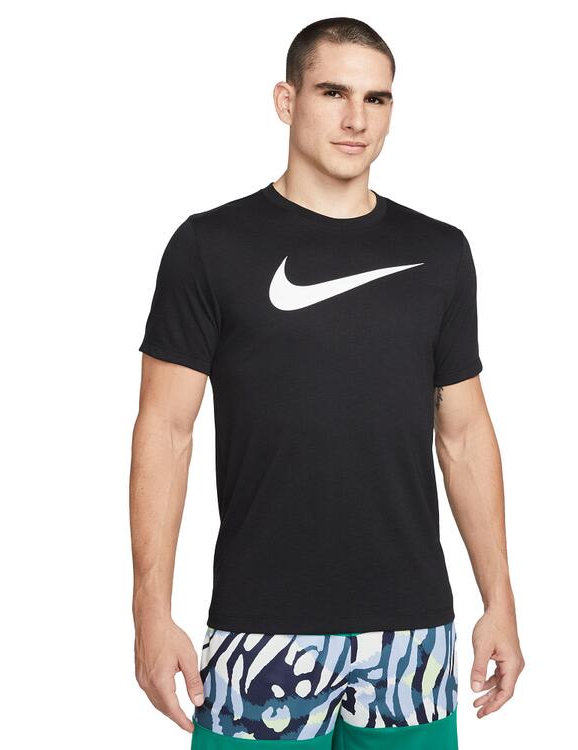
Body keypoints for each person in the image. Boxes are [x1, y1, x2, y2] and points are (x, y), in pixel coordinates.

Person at [130, 16, 524, 749]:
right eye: (334, 92)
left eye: (376, 99)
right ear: (287, 101)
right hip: (259, 630)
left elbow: (465, 435)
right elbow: (166, 431)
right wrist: (149, 613)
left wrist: (499, 601)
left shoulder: (439, 253)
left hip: (411, 638)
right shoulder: (209, 246)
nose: (356, 119)